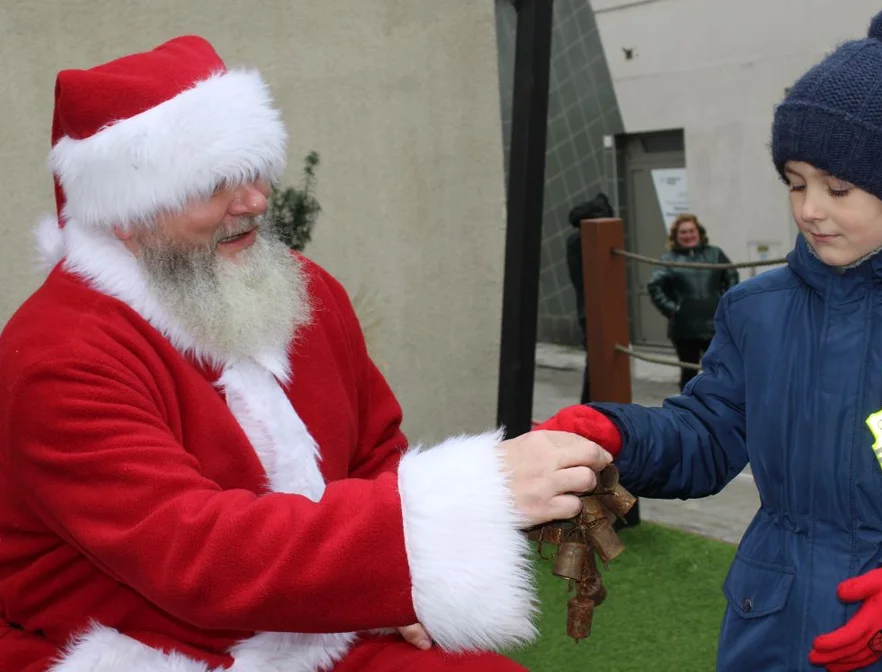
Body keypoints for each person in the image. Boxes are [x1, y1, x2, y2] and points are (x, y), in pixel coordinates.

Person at [0, 36, 614, 672]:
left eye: (257, 169)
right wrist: (466, 500)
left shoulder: (304, 288)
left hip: (326, 625)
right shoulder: (57, 355)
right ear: (128, 214)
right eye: (217, 183)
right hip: (156, 649)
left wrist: (392, 585)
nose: (256, 201)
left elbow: (376, 452)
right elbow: (196, 556)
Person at [535, 1, 882, 671]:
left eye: (839, 187)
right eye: (795, 184)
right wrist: (617, 435)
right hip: (775, 630)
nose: (810, 210)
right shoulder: (758, 309)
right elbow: (708, 435)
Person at [647, 213, 738, 389]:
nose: (688, 235)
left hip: (714, 325)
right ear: (676, 236)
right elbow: (654, 286)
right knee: (689, 374)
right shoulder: (669, 260)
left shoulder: (715, 254)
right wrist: (673, 309)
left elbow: (732, 276)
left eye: (691, 231)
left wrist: (724, 303)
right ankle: (688, 412)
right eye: (683, 232)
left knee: (719, 372)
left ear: (699, 232)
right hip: (684, 329)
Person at [565, 192, 615, 404]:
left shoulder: (576, 240)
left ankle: (591, 403)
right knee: (597, 363)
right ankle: (590, 404)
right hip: (593, 309)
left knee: (597, 362)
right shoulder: (582, 241)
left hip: (590, 308)